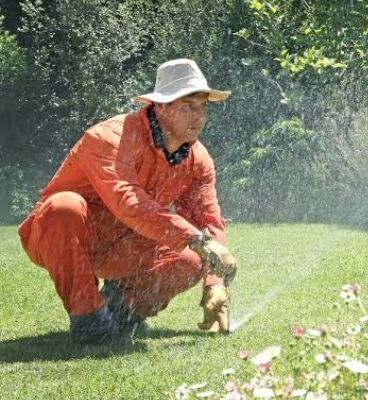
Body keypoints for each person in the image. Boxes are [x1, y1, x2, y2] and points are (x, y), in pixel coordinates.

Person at [17, 58, 238, 345]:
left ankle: (121, 311)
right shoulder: (110, 137)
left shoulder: (198, 159)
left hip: (127, 246)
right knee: (64, 207)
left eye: (203, 107)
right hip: (63, 237)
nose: (198, 117)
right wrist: (198, 239)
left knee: (191, 259)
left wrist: (215, 284)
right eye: (187, 107)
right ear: (161, 107)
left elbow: (208, 220)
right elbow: (129, 203)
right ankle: (90, 322)